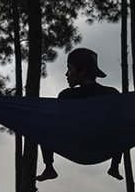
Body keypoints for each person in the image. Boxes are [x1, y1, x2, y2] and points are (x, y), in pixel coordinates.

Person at [36, 47, 124, 182]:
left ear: (82, 70)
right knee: (125, 122)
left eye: (70, 68)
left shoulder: (67, 96)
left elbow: (56, 125)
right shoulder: (111, 94)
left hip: (74, 143)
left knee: (43, 121)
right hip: (103, 145)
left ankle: (49, 167)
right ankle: (115, 165)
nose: (66, 74)